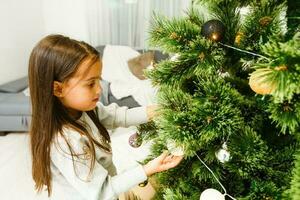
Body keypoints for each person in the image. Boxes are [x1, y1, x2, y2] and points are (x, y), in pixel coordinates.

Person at [28, 34, 183, 200]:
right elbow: (102, 192)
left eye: (98, 80)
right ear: (58, 89)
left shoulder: (85, 110)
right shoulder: (66, 142)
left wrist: (156, 110)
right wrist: (147, 169)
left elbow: (118, 116)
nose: (99, 89)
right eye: (90, 84)